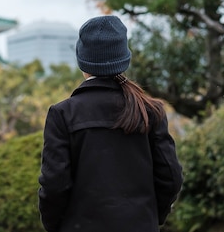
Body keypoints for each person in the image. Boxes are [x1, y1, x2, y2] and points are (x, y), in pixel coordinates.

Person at [38, 15, 183, 232]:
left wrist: (56, 226)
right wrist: (151, 217)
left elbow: (54, 185)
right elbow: (170, 177)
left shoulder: (63, 114)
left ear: (82, 60)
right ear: (124, 58)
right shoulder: (150, 110)